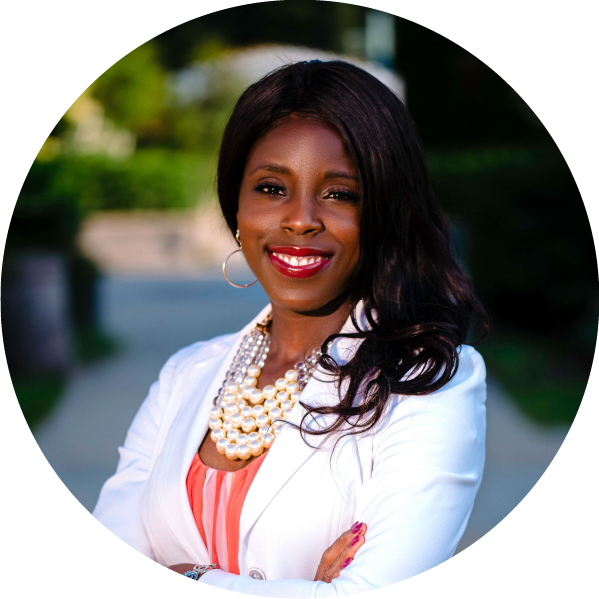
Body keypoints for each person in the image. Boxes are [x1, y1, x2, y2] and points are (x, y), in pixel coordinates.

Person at [93, 60, 488, 596]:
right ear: (237, 205)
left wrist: (188, 575)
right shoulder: (185, 374)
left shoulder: (429, 381)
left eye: (340, 194)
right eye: (272, 188)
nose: (300, 220)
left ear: (387, 212)